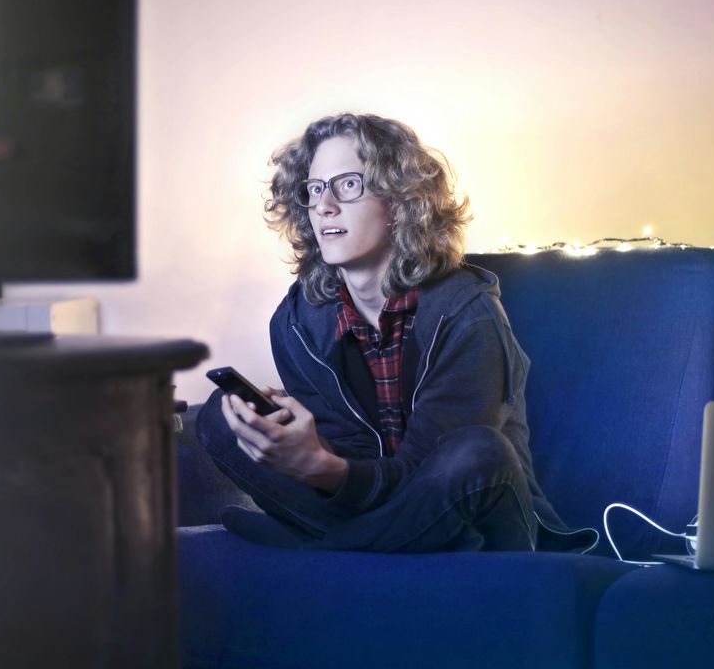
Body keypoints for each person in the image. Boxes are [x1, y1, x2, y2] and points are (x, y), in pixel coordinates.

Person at [196, 113, 596, 553]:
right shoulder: (298, 323)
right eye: (315, 188)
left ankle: (329, 547)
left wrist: (319, 468)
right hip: (368, 508)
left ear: (402, 202)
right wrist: (305, 449)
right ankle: (358, 547)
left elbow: (429, 474)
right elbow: (353, 466)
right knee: (221, 414)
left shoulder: (468, 316)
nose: (324, 205)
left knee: (479, 452)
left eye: (348, 184)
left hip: (474, 525)